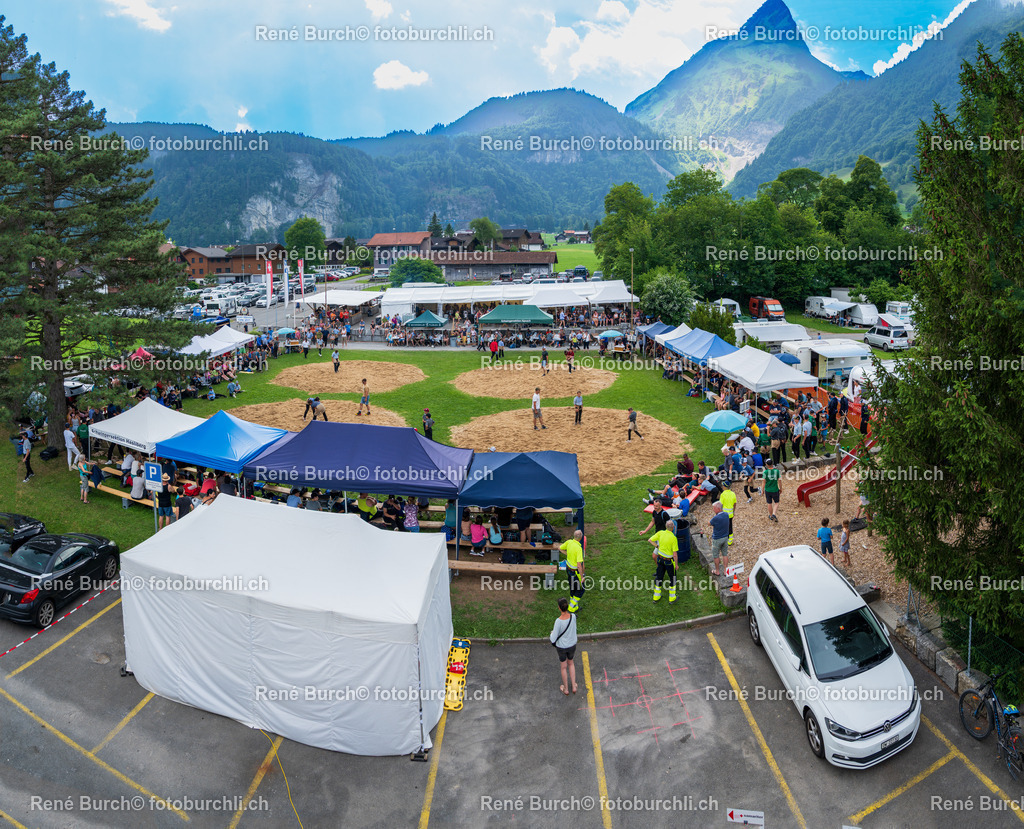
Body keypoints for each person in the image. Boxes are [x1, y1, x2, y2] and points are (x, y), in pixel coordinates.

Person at [549, 597, 578, 696]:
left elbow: (553, 639)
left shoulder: (558, 621)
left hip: (561, 647)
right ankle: (574, 686)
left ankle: (565, 689)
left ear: (559, 608)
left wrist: (551, 633)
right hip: (572, 645)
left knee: (563, 667)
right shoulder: (573, 617)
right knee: (571, 663)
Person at [649, 519, 679, 602]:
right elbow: (675, 554)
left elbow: (650, 540)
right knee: (672, 578)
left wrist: (657, 546)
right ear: (673, 528)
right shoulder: (673, 538)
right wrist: (676, 565)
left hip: (660, 559)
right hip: (669, 561)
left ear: (666, 526)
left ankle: (656, 597)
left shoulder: (660, 533)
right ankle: (672, 598)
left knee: (659, 577)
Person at [560, 530, 585, 613]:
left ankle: (575, 607)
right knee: (581, 589)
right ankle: (571, 608)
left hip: (568, 569)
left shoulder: (569, 542)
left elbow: (560, 548)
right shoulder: (578, 548)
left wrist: (567, 554)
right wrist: (582, 577)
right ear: (580, 537)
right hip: (575, 572)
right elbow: (579, 565)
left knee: (573, 588)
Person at [708, 502, 730, 577]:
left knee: (716, 555)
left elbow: (709, 523)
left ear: (718, 508)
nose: (713, 509)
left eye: (714, 508)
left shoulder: (716, 518)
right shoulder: (726, 515)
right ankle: (725, 570)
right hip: (725, 538)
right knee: (725, 554)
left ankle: (717, 571)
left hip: (717, 539)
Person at [719, 480, 737, 546]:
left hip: (724, 514)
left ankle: (724, 539)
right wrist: (733, 511)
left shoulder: (723, 494)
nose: (722, 486)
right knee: (730, 526)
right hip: (730, 514)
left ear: (725, 487)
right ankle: (730, 540)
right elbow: (735, 504)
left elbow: (721, 505)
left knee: (724, 526)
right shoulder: (733, 493)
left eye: (723, 485)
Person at [763, 458, 781, 522]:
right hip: (775, 489)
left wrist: (762, 490)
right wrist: (781, 488)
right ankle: (774, 513)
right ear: (772, 464)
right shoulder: (777, 471)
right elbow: (779, 480)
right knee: (776, 502)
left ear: (767, 465)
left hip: (767, 490)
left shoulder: (765, 472)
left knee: (769, 503)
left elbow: (764, 482)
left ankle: (771, 516)